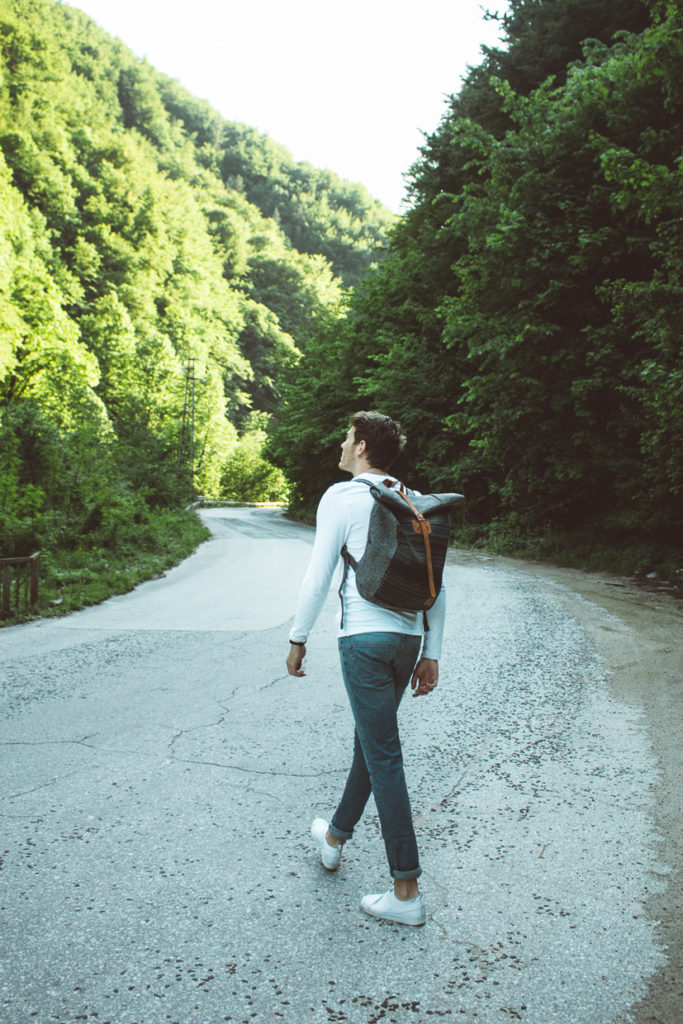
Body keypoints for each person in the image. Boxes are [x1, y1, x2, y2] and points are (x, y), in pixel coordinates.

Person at [286, 411, 445, 927]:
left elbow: (317, 577)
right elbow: (437, 585)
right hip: (406, 642)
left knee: (384, 756)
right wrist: (431, 652)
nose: (341, 442)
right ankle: (334, 837)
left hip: (364, 641)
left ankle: (406, 889)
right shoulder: (412, 499)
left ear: (361, 448)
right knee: (371, 745)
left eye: (347, 436)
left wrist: (297, 638)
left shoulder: (342, 496)